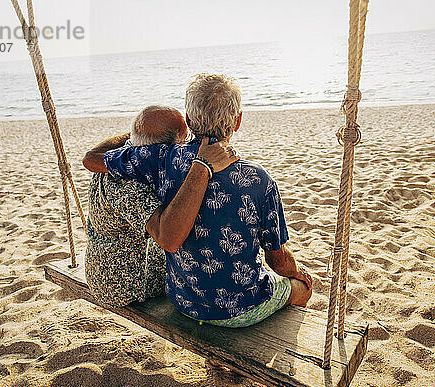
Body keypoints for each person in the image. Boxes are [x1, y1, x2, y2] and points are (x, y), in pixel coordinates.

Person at [84, 74, 312, 327]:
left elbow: (95, 159)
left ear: (189, 120)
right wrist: (296, 273)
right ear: (238, 122)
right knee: (300, 287)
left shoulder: (161, 158)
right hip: (240, 310)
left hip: (183, 299)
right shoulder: (259, 180)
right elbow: (277, 260)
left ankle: (217, 355)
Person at [82, 105, 239, 307]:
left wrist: (140, 134)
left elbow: (90, 156)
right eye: (184, 142)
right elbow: (168, 239)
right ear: (160, 151)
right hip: (123, 283)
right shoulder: (129, 184)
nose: (188, 146)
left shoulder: (119, 158)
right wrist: (202, 166)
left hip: (102, 262)